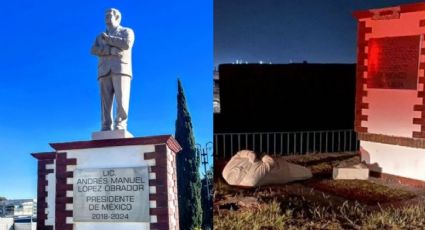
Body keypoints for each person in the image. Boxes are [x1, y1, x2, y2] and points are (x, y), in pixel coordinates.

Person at [91, 8, 135, 131]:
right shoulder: (100, 36)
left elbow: (126, 44)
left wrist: (108, 39)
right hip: (104, 70)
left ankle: (120, 124)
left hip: (121, 68)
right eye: (105, 15)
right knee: (105, 102)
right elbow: (93, 50)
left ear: (117, 17)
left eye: (109, 15)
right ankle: (106, 125)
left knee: (121, 99)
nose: (106, 17)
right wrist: (109, 51)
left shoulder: (126, 31)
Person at [222, 150, 312, 187]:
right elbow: (270, 162)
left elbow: (239, 154)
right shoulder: (251, 179)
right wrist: (262, 155)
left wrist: (248, 154)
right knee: (307, 173)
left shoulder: (226, 171)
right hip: (283, 171)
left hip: (278, 165)